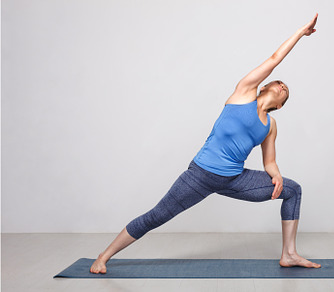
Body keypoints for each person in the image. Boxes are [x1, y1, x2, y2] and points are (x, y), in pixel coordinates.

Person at [90, 13, 320, 274]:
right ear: (265, 85)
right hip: (200, 174)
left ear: (280, 105)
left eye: (285, 90)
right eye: (278, 82)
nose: (281, 85)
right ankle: (103, 256)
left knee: (293, 189)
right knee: (156, 216)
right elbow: (274, 59)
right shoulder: (243, 92)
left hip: (234, 180)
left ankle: (289, 254)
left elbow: (269, 161)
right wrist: (300, 33)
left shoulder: (270, 126)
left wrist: (277, 176)